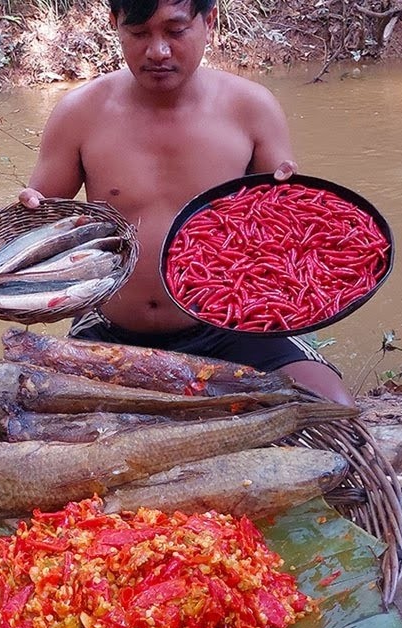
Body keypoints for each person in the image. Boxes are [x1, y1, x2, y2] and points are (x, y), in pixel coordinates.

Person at [17, 0, 354, 406]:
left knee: (332, 407)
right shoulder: (79, 113)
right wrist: (29, 212)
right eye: (139, 34)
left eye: (175, 32)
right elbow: (42, 223)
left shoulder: (251, 108)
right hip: (109, 331)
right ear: (115, 24)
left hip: (236, 326)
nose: (157, 51)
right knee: (43, 427)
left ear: (208, 21)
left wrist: (292, 203)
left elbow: (290, 238)